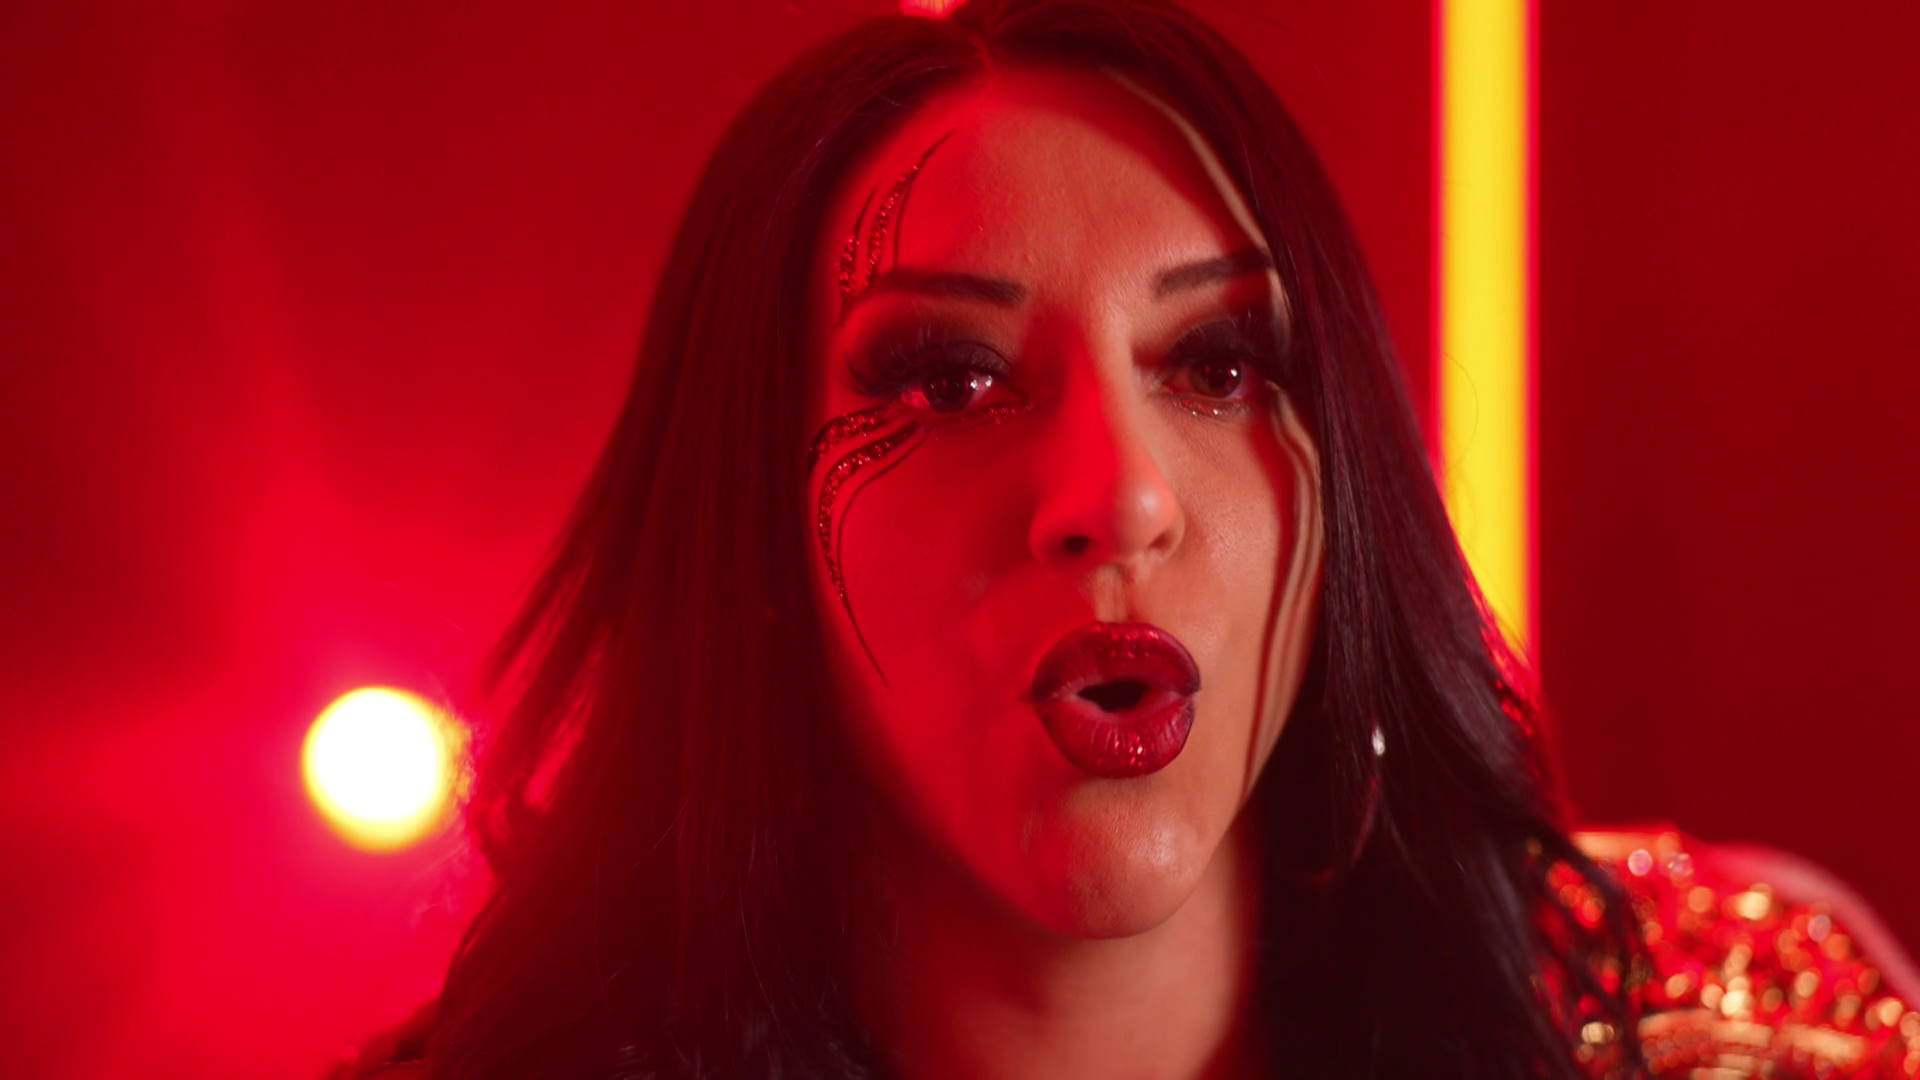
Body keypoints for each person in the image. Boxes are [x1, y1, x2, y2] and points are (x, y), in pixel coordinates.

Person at [340, 1, 1918, 1077]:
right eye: (951, 380)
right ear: (743, 526)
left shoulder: (1727, 1026)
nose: (1120, 495)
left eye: (1219, 366)